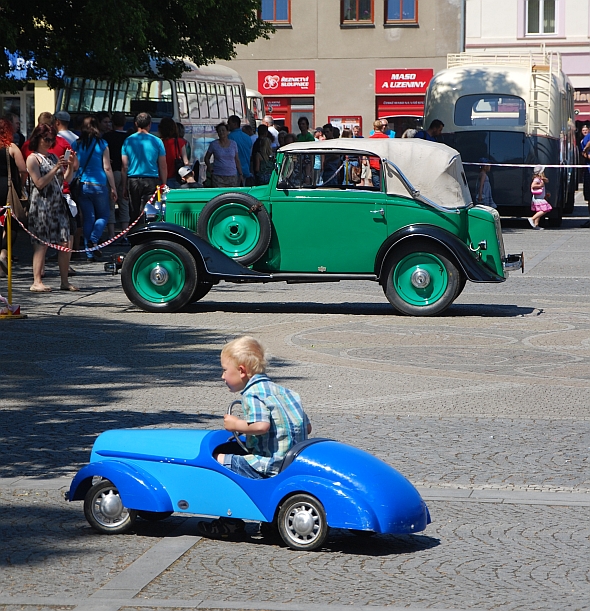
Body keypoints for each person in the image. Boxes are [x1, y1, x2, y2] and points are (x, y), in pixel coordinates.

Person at [197, 336, 311, 538]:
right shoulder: (285, 391)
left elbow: (261, 426)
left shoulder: (252, 394)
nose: (222, 376)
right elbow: (307, 427)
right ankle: (270, 521)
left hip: (267, 464)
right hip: (291, 461)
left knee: (217, 463)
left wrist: (236, 424)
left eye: (224, 370)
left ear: (241, 371)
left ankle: (229, 522)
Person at [25, 124, 78, 291]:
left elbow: (64, 180)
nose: (49, 143)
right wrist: (55, 169)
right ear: (38, 138)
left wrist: (68, 165)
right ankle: (36, 281)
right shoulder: (33, 158)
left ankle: (64, 281)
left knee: (64, 241)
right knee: (42, 243)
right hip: (41, 205)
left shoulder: (54, 157)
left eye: (51, 140)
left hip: (58, 204)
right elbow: (39, 183)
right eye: (46, 139)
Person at [72, 116, 118, 260]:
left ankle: (89, 252)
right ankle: (94, 238)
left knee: (88, 218)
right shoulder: (102, 144)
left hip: (83, 184)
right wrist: (113, 187)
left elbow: (74, 166)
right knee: (104, 215)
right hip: (99, 184)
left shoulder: (76, 144)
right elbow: (107, 167)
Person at [121, 112, 167, 222]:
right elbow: (163, 165)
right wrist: (164, 183)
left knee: (134, 211)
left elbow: (124, 166)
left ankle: (134, 235)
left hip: (133, 180)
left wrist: (124, 187)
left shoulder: (128, 141)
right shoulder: (157, 141)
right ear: (150, 124)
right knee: (149, 211)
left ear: (136, 124)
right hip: (151, 180)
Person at [0, 118, 27, 277]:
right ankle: (4, 251)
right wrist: (20, 185)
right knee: (13, 222)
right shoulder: (11, 148)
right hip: (8, 188)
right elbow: (23, 169)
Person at [103, 111, 130, 239]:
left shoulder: (107, 137)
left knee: (111, 203)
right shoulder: (129, 137)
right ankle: (124, 233)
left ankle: (112, 234)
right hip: (125, 172)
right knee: (124, 202)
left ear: (112, 123)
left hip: (111, 172)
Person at [204, 122, 242, 188]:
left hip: (232, 176)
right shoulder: (214, 144)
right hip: (218, 176)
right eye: (219, 131)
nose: (221, 132)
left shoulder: (233, 144)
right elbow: (206, 158)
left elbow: (236, 159)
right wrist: (209, 167)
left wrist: (240, 173)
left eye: (223, 130)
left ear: (227, 132)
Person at [159, 117, 189, 189]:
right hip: (175, 178)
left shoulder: (158, 142)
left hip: (160, 178)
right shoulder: (180, 142)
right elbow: (186, 162)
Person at [227, 114, 253, 186]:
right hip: (246, 169)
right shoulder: (247, 137)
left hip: (234, 171)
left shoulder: (229, 137)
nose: (227, 125)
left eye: (229, 123)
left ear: (235, 124)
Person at [528, 165, 551, 230]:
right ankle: (532, 218)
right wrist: (540, 185)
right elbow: (533, 185)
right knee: (545, 209)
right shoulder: (537, 179)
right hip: (538, 198)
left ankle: (536, 225)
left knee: (538, 210)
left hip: (539, 197)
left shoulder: (540, 179)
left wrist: (545, 194)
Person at [369, 119, 388, 188]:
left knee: (376, 184)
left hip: (373, 162)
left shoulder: (370, 139)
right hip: (383, 162)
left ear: (374, 127)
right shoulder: (386, 138)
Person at [580, 124, 590, 228]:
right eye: (583, 130)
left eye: (586, 130)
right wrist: (585, 152)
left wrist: (586, 149)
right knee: (588, 198)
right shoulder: (583, 140)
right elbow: (584, 154)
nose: (585, 131)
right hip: (587, 170)